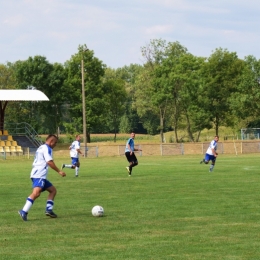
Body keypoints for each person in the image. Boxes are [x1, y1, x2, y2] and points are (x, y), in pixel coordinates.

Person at [18, 134, 66, 221]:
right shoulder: (47, 148)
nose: (55, 145)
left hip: (38, 173)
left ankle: (49, 210)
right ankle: (24, 211)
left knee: (53, 190)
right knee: (36, 193)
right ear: (51, 141)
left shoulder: (41, 147)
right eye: (55, 142)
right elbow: (49, 162)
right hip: (39, 174)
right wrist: (59, 171)